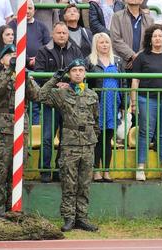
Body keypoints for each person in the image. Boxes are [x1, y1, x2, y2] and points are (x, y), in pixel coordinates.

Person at [36, 58, 99, 232]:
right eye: (74, 71)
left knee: (84, 184)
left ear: (85, 73)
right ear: (69, 74)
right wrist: (55, 79)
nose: (78, 73)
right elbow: (41, 96)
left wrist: (94, 137)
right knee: (69, 183)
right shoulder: (61, 94)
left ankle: (82, 217)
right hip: (70, 144)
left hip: (88, 144)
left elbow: (96, 120)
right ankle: (69, 218)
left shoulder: (92, 95)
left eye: (80, 70)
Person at [0, 44, 40, 217]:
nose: (13, 57)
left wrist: (24, 76)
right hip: (2, 129)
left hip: (19, 127)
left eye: (16, 55)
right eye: (9, 55)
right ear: (2, 60)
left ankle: (13, 207)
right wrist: (10, 70)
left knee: (17, 170)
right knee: (0, 171)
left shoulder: (23, 76)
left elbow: (36, 95)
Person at [131, 24, 162, 181]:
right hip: (146, 99)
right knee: (146, 132)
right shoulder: (142, 57)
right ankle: (140, 167)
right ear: (150, 39)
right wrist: (133, 101)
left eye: (160, 36)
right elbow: (135, 80)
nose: (158, 38)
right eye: (155, 36)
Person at [34, 21, 83, 183]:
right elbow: (39, 74)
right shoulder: (43, 51)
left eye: (64, 33)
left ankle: (60, 169)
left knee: (66, 137)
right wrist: (56, 83)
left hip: (69, 102)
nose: (62, 35)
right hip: (51, 100)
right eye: (59, 33)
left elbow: (81, 71)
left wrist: (67, 83)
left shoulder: (75, 50)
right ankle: (45, 170)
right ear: (52, 34)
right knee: (47, 136)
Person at [85, 32, 126, 182]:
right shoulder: (90, 61)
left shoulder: (118, 61)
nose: (104, 45)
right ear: (96, 44)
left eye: (107, 42)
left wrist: (124, 103)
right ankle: (95, 171)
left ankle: (106, 171)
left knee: (108, 139)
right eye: (101, 42)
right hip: (97, 104)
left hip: (113, 104)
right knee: (97, 139)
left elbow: (124, 83)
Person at [110, 0, 154, 71]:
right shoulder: (117, 16)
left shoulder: (149, 20)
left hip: (143, 65)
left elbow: (150, 42)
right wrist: (132, 55)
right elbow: (115, 39)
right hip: (122, 65)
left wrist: (138, 57)